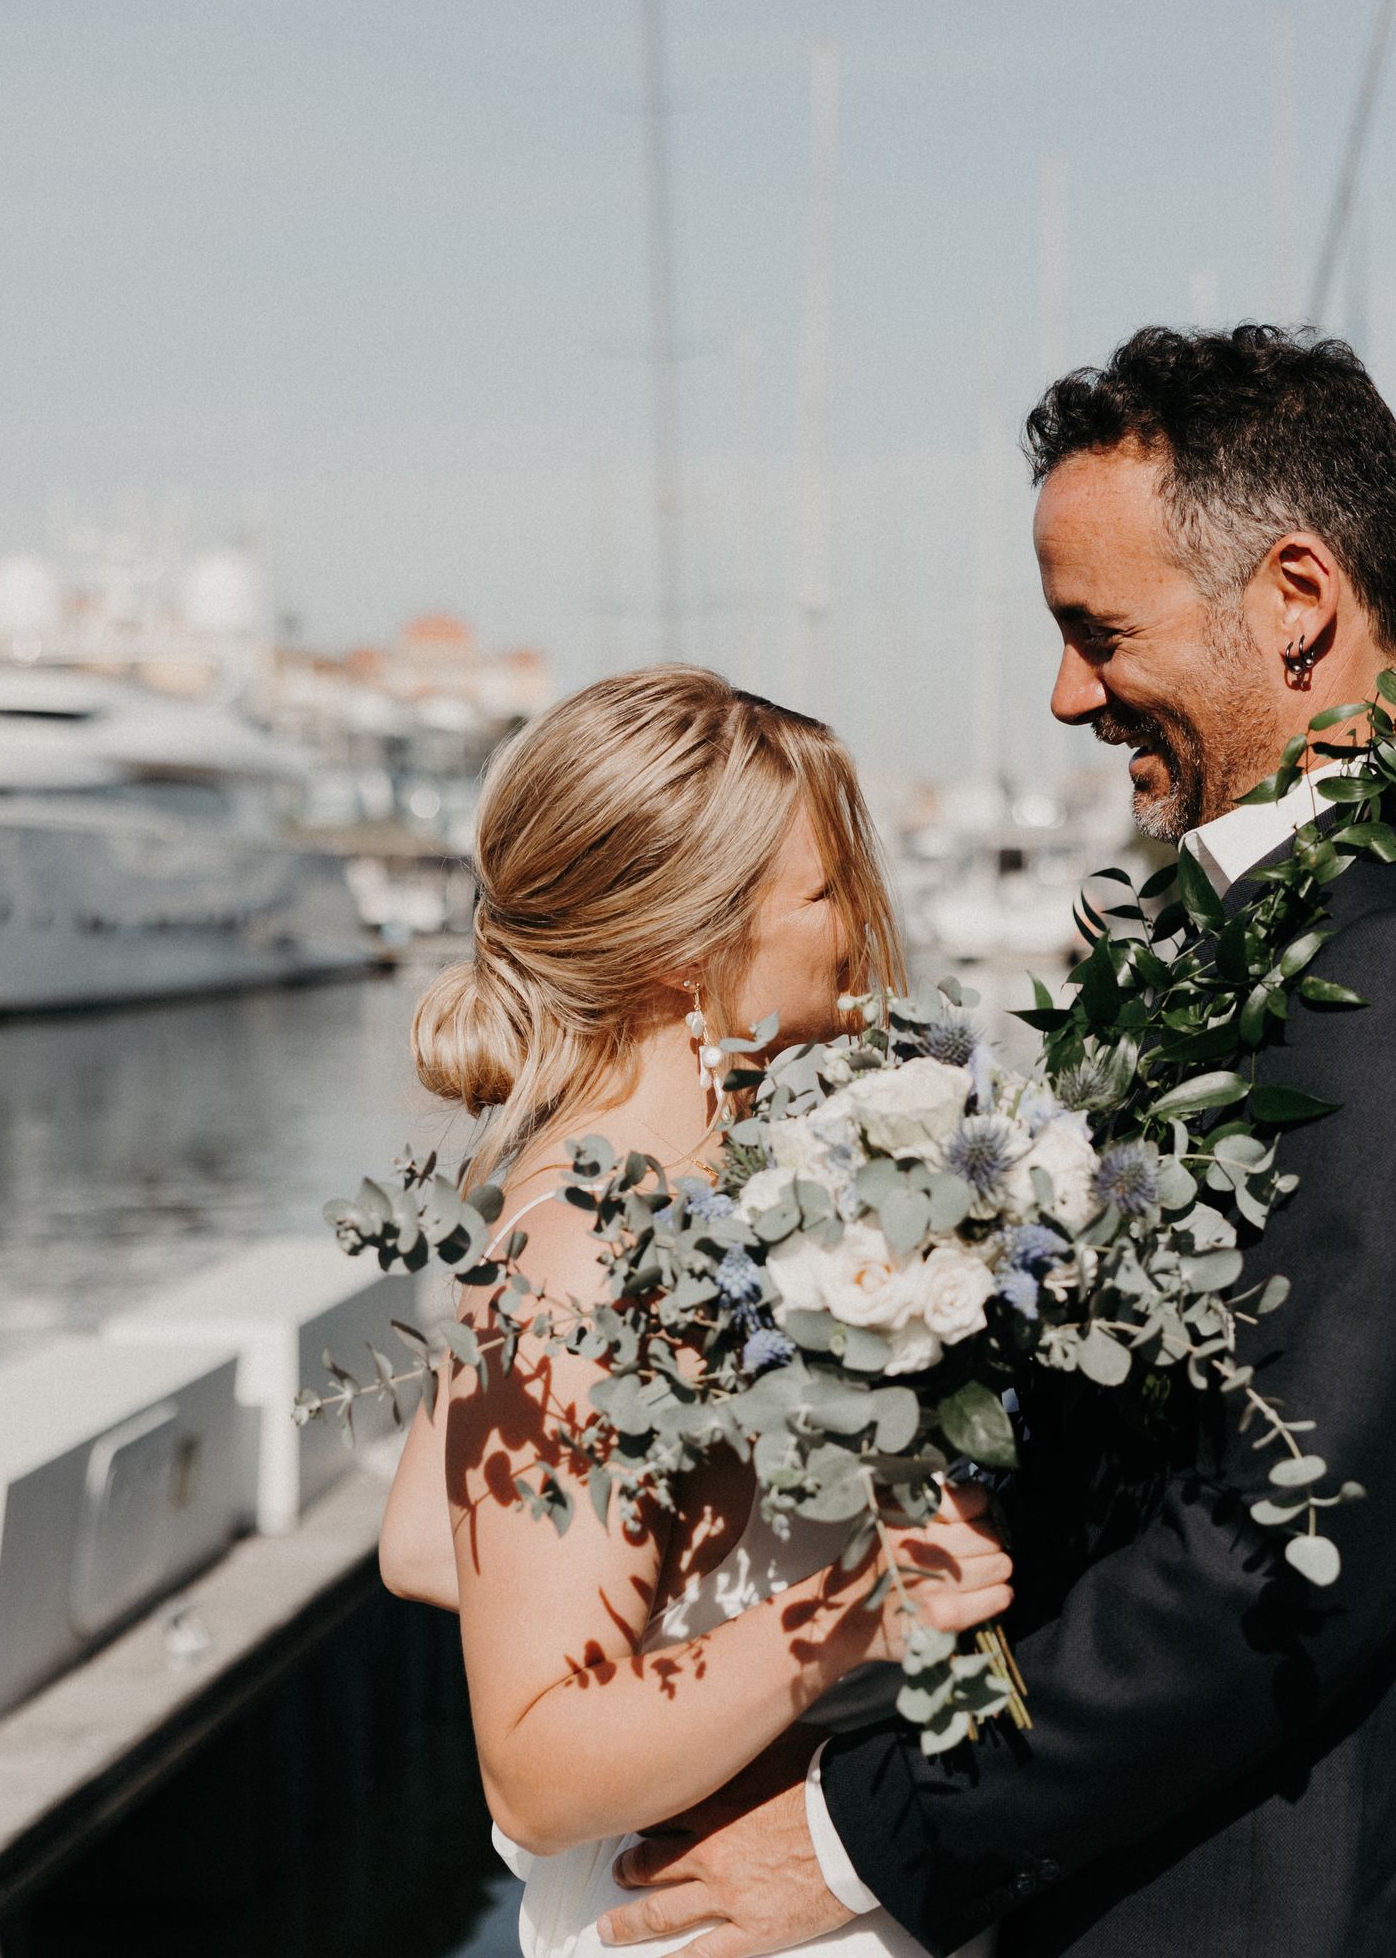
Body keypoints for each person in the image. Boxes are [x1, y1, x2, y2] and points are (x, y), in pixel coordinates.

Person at [609, 326, 1396, 1957]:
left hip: (1329, 1899)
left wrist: (860, 1834)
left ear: (1296, 602)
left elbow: (1279, 1554)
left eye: (1101, 632)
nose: (1070, 693)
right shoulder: (1317, 921)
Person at [373, 666, 1017, 1958]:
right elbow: (538, 1769)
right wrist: (856, 1608)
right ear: (688, 951)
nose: (860, 928)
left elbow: (422, 1542)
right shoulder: (580, 1245)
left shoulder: (680, 1193)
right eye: (826, 892)